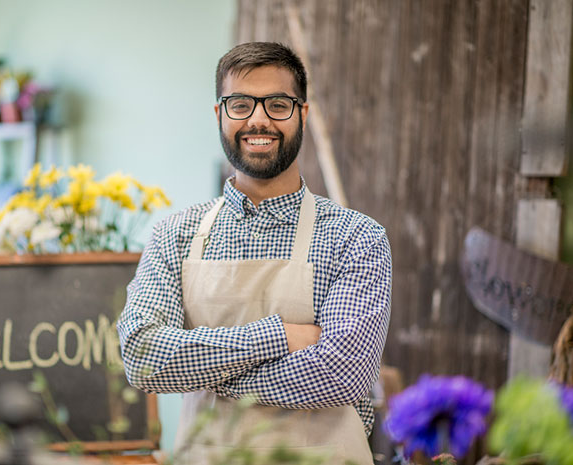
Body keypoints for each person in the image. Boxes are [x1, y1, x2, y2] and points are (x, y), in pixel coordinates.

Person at [117, 42, 391, 464]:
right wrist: (280, 336)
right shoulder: (175, 234)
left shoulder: (357, 238)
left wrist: (206, 375)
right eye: (241, 104)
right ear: (220, 115)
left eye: (278, 104)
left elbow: (341, 375)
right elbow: (142, 357)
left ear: (302, 113)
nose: (259, 119)